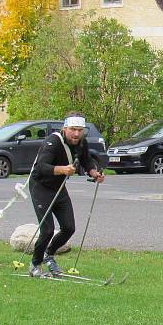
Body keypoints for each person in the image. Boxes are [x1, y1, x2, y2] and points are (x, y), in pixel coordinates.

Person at [28, 113, 104, 277]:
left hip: (59, 187)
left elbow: (86, 160)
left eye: (79, 130)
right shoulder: (53, 141)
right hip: (41, 186)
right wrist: (63, 169)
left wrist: (94, 173)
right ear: (65, 129)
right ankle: (35, 264)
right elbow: (41, 167)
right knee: (47, 230)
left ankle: (49, 255)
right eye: (73, 130)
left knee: (69, 228)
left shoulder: (81, 142)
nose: (76, 134)